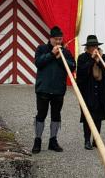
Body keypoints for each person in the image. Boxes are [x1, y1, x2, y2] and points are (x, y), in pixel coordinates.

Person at [32, 26, 76, 154]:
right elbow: (38, 63)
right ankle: (38, 140)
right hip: (43, 89)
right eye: (56, 39)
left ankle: (53, 140)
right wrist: (52, 54)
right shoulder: (41, 49)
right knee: (41, 114)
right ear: (50, 39)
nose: (58, 42)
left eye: (60, 39)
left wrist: (60, 58)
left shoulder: (66, 52)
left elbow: (72, 66)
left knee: (56, 115)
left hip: (58, 89)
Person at [76, 35, 105, 150]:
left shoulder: (104, 57)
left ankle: (96, 139)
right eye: (91, 46)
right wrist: (92, 60)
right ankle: (87, 140)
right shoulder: (82, 58)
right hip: (88, 91)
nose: (94, 48)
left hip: (101, 91)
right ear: (87, 48)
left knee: (98, 116)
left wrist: (100, 61)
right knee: (88, 116)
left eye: (95, 46)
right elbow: (81, 73)